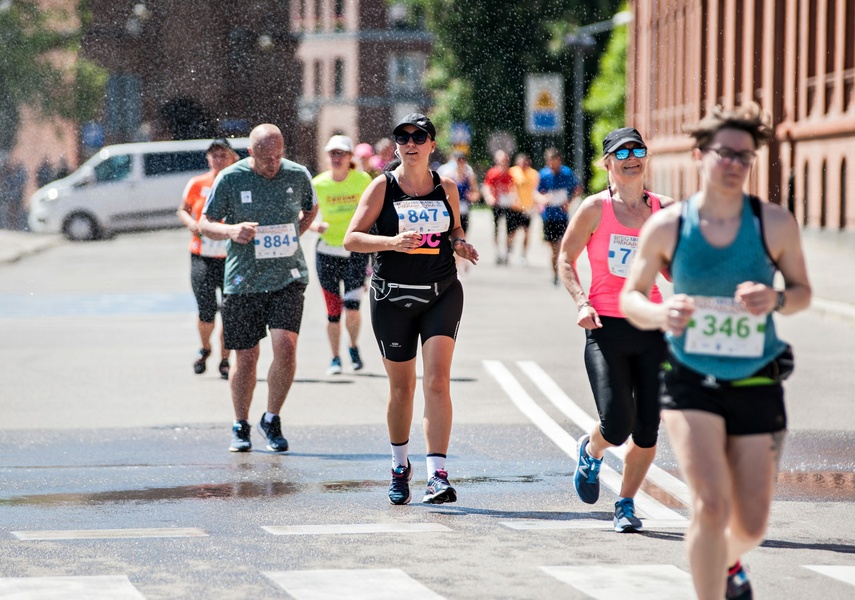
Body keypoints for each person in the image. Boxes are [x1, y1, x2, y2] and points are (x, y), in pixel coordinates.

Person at [619, 103, 811, 600]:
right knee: (708, 506)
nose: (734, 164)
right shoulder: (669, 226)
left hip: (756, 379)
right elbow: (630, 296)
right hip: (689, 379)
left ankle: (727, 561)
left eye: (745, 157)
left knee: (750, 523)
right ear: (699, 155)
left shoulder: (774, 224)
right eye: (724, 153)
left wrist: (778, 299)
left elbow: (803, 291)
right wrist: (663, 314)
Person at [343, 113, 478, 506]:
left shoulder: (447, 187)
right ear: (397, 145)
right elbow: (352, 239)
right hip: (392, 298)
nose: (411, 143)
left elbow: (452, 230)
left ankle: (438, 474)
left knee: (437, 381)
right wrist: (392, 243)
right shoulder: (381, 187)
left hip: (441, 293)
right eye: (403, 137)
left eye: (420, 137)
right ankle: (400, 467)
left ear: (432, 145)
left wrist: (460, 244)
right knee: (402, 389)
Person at [557, 127, 674, 533]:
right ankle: (590, 451)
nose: (631, 157)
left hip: (652, 327)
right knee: (617, 423)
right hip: (605, 326)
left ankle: (625, 503)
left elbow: (678, 270)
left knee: (646, 429)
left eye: (638, 149)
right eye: (621, 152)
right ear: (606, 163)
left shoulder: (665, 210)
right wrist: (581, 301)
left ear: (646, 158)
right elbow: (566, 260)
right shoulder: (594, 209)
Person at [199, 124, 319, 453]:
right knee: (247, 357)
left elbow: (311, 207)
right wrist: (233, 230)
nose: (273, 163)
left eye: (279, 155)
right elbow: (204, 223)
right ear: (251, 153)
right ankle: (241, 423)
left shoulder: (297, 174)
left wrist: (297, 232)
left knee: (286, 348)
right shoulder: (231, 178)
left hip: (287, 277)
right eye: (266, 158)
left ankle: (272, 418)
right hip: (243, 281)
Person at [310, 135, 373, 375]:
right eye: (333, 154)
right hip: (327, 252)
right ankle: (335, 358)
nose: (337, 158)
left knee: (353, 308)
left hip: (355, 251)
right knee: (334, 312)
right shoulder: (318, 184)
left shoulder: (362, 180)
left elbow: (374, 211)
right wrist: (315, 226)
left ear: (350, 157)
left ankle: (353, 346)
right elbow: (301, 213)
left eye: (341, 154)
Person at [177, 138, 239, 380]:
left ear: (232, 156)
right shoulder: (197, 183)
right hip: (202, 256)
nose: (218, 160)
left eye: (222, 155)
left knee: (229, 310)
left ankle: (225, 359)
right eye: (213, 155)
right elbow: (182, 209)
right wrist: (192, 223)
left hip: (230, 257)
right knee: (206, 309)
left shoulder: (237, 181)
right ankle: (205, 348)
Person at [538, 147, 582, 284]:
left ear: (559, 160)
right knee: (553, 248)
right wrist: (543, 199)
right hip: (548, 216)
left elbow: (578, 189)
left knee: (561, 245)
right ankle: (555, 273)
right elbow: (536, 193)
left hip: (562, 216)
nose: (552, 165)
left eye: (554, 162)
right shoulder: (543, 175)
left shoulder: (567, 173)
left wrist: (569, 202)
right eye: (549, 163)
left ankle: (563, 271)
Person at [481, 150, 517, 265]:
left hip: (509, 205)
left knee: (510, 230)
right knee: (497, 228)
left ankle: (507, 250)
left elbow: (514, 187)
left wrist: (514, 197)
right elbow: (487, 186)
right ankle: (498, 252)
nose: (503, 162)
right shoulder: (492, 173)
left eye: (505, 160)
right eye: (501, 160)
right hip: (497, 204)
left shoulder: (511, 173)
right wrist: (489, 196)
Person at [508, 153, 540, 267]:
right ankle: (509, 248)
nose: (523, 164)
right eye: (521, 162)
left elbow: (537, 189)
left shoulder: (534, 174)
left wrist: (536, 204)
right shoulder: (512, 172)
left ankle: (523, 254)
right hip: (515, 207)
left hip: (527, 208)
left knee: (526, 232)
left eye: (525, 162)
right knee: (512, 233)